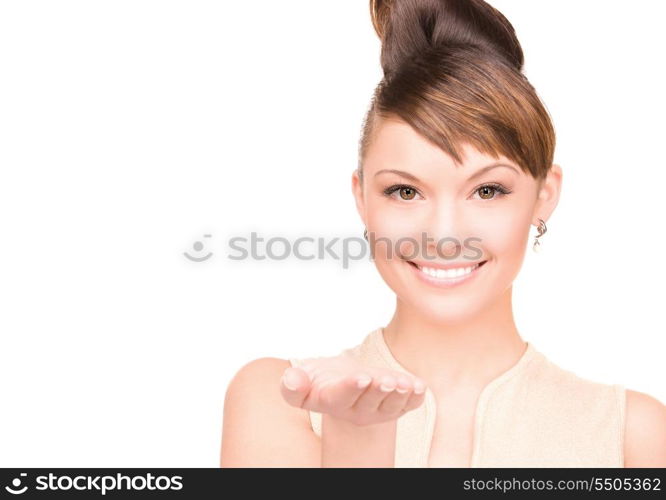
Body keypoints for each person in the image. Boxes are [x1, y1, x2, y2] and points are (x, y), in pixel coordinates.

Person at [219, 0, 666, 467]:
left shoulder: (631, 436)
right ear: (362, 198)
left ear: (543, 195)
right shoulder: (284, 400)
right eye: (405, 191)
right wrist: (357, 440)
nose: (446, 235)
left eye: (488, 190)